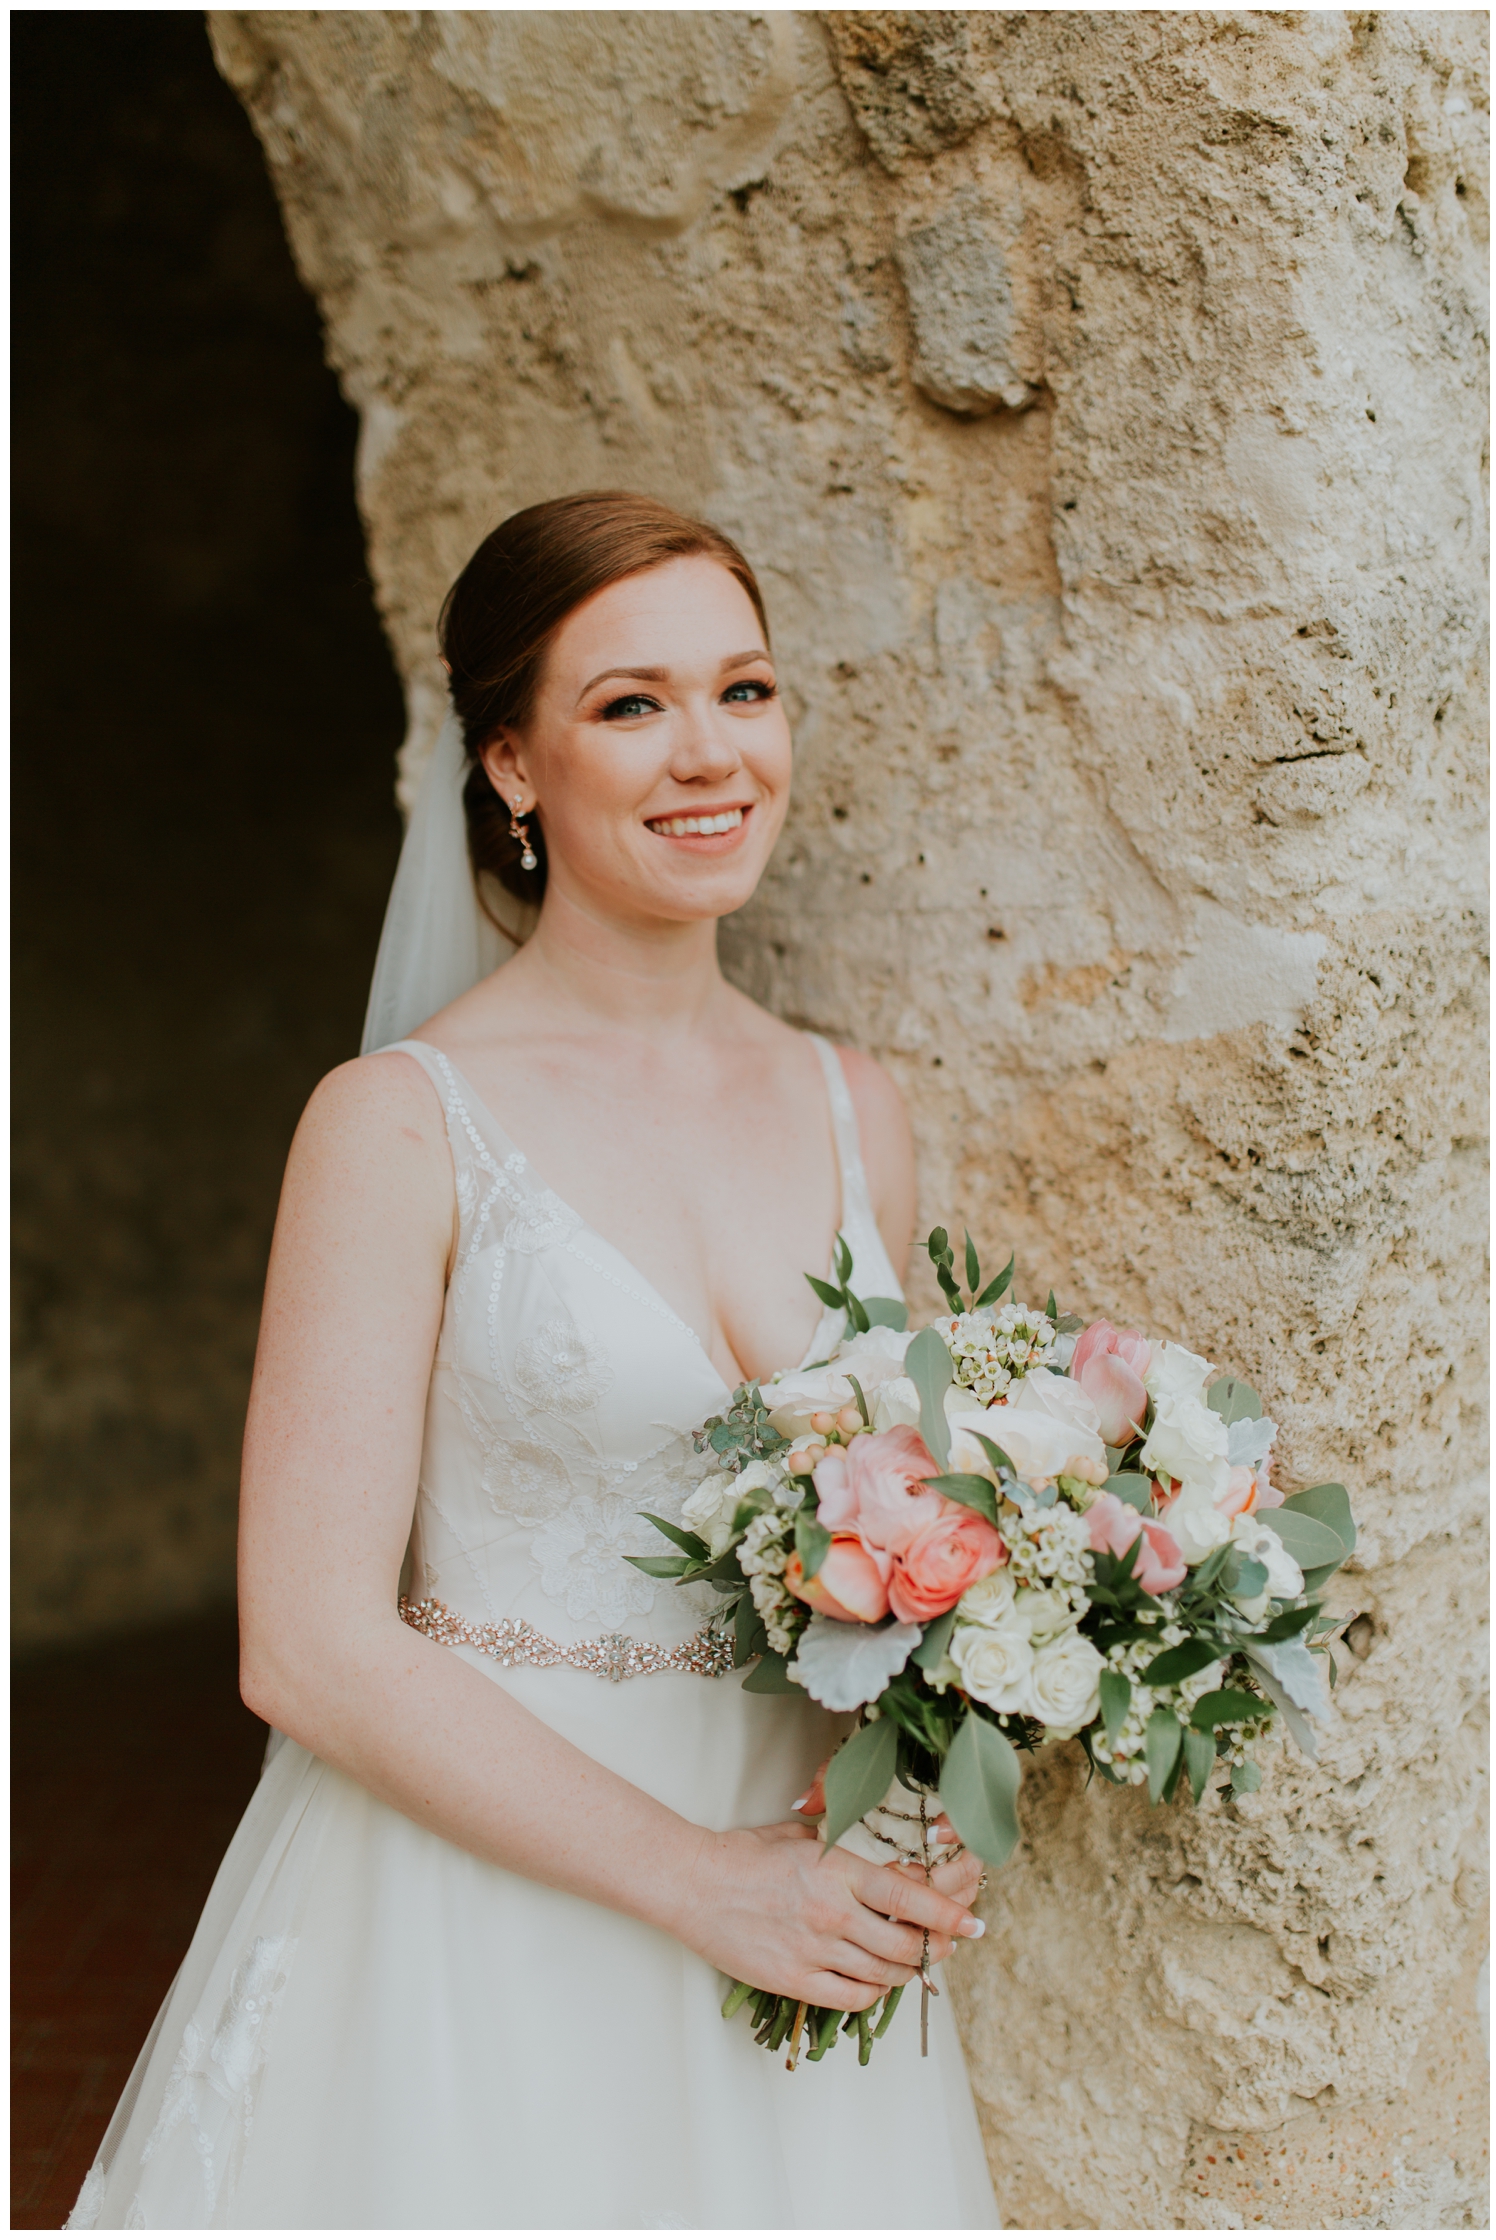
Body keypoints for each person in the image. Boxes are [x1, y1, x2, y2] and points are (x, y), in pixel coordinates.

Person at [67, 492, 1000, 2230]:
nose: (710, 751)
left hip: (804, 1924)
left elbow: (913, 1547)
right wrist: (702, 1888)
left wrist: (946, 1763)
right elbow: (307, 1644)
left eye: (746, 689)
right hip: (485, 1920)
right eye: (628, 704)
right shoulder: (398, 1125)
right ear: (510, 766)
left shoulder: (850, 1106)